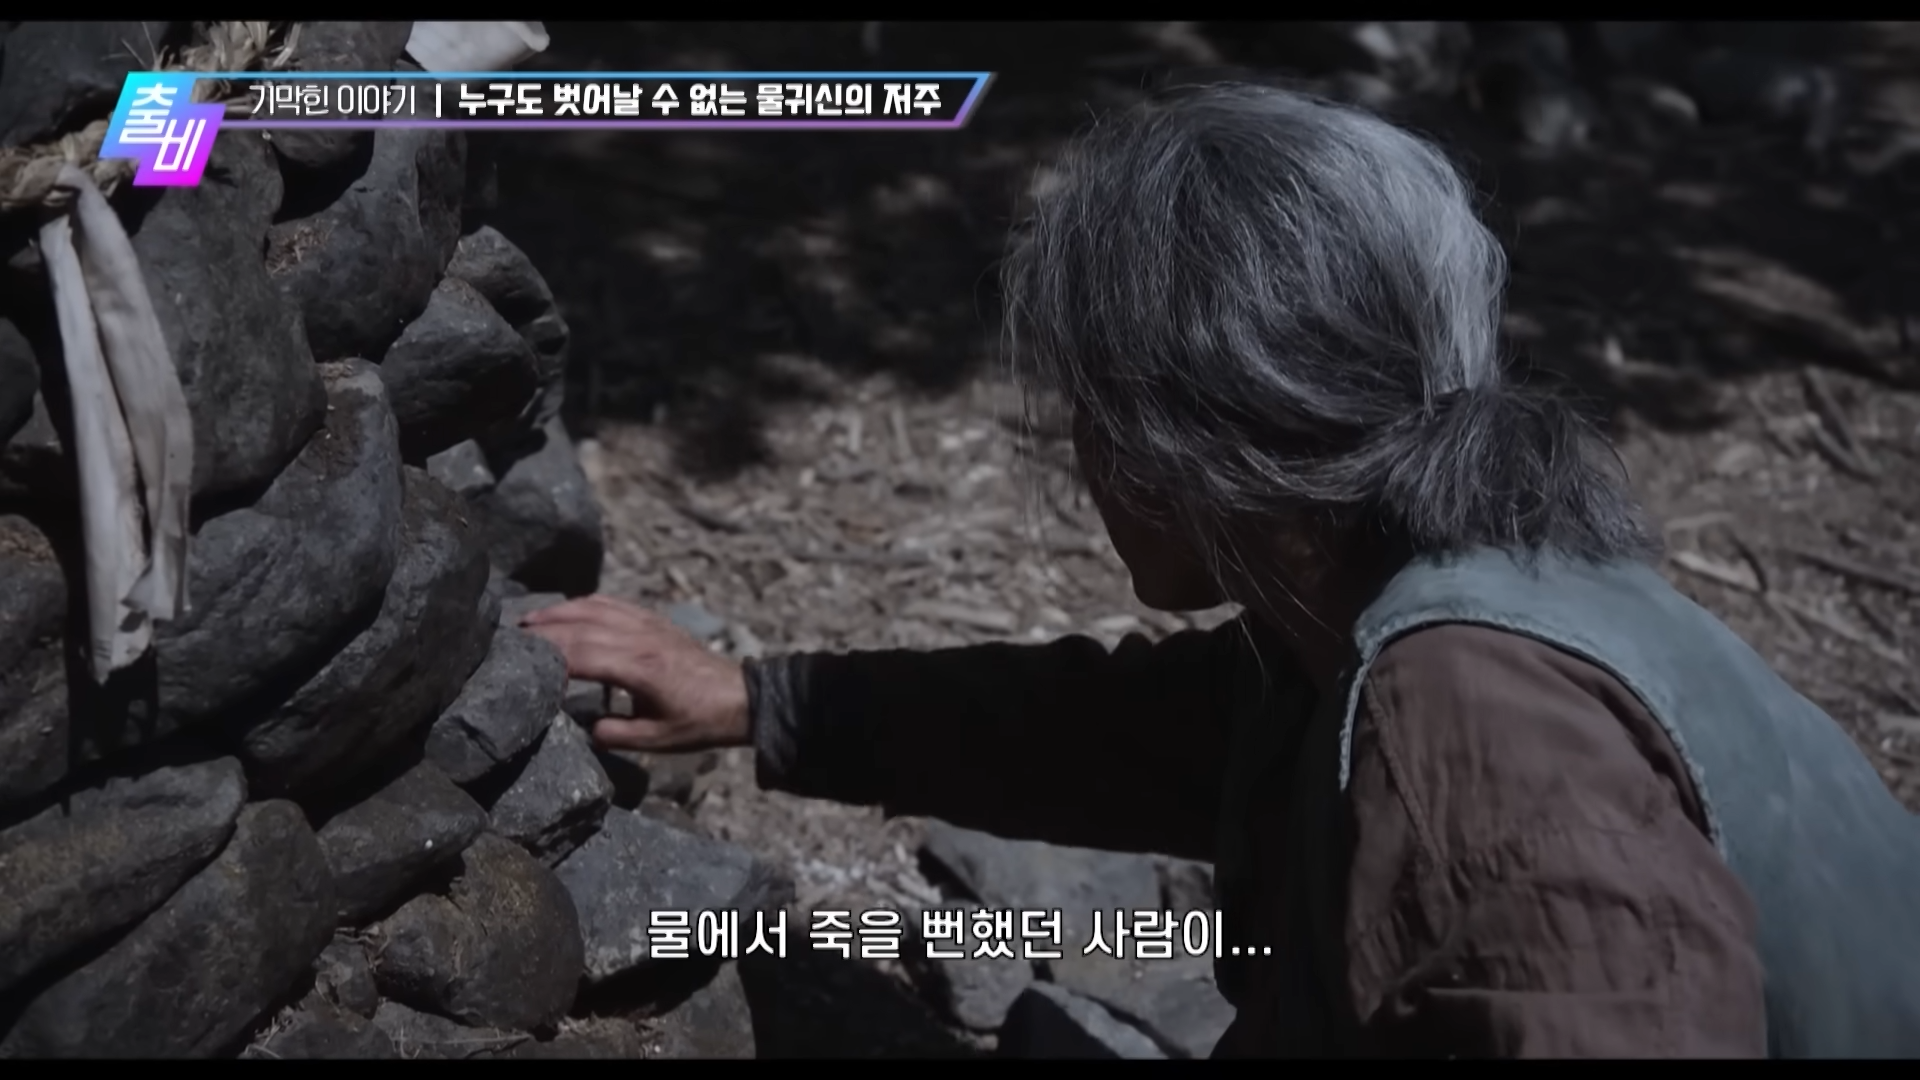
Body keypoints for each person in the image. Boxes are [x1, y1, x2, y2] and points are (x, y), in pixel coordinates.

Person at [522, 84, 1920, 1058]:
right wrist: (762, 702)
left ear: (1180, 437)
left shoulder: (1474, 723)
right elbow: (1127, 733)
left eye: (1090, 408)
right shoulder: (1389, 605)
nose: (1082, 455)